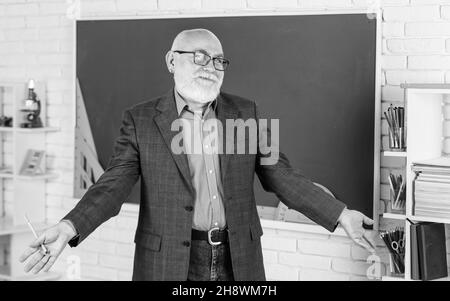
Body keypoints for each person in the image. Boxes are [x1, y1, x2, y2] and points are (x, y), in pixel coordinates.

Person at [19, 28, 375, 281]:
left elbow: (279, 174)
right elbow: (113, 184)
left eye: (219, 60)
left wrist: (340, 213)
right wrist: (69, 226)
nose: (210, 66)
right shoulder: (141, 119)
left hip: (239, 258)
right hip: (169, 259)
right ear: (172, 61)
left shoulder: (245, 111)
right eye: (200, 56)